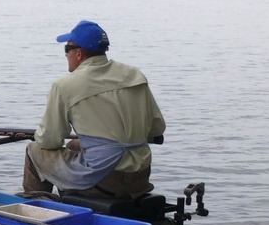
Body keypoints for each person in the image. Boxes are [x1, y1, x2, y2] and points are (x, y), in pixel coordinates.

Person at [23, 20, 166, 200]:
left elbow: (49, 140)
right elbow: (157, 128)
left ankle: (35, 212)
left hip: (103, 182)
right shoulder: (134, 75)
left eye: (66, 50)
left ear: (79, 53)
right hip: (140, 178)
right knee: (74, 145)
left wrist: (40, 136)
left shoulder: (64, 86)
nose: (66, 55)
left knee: (34, 150)